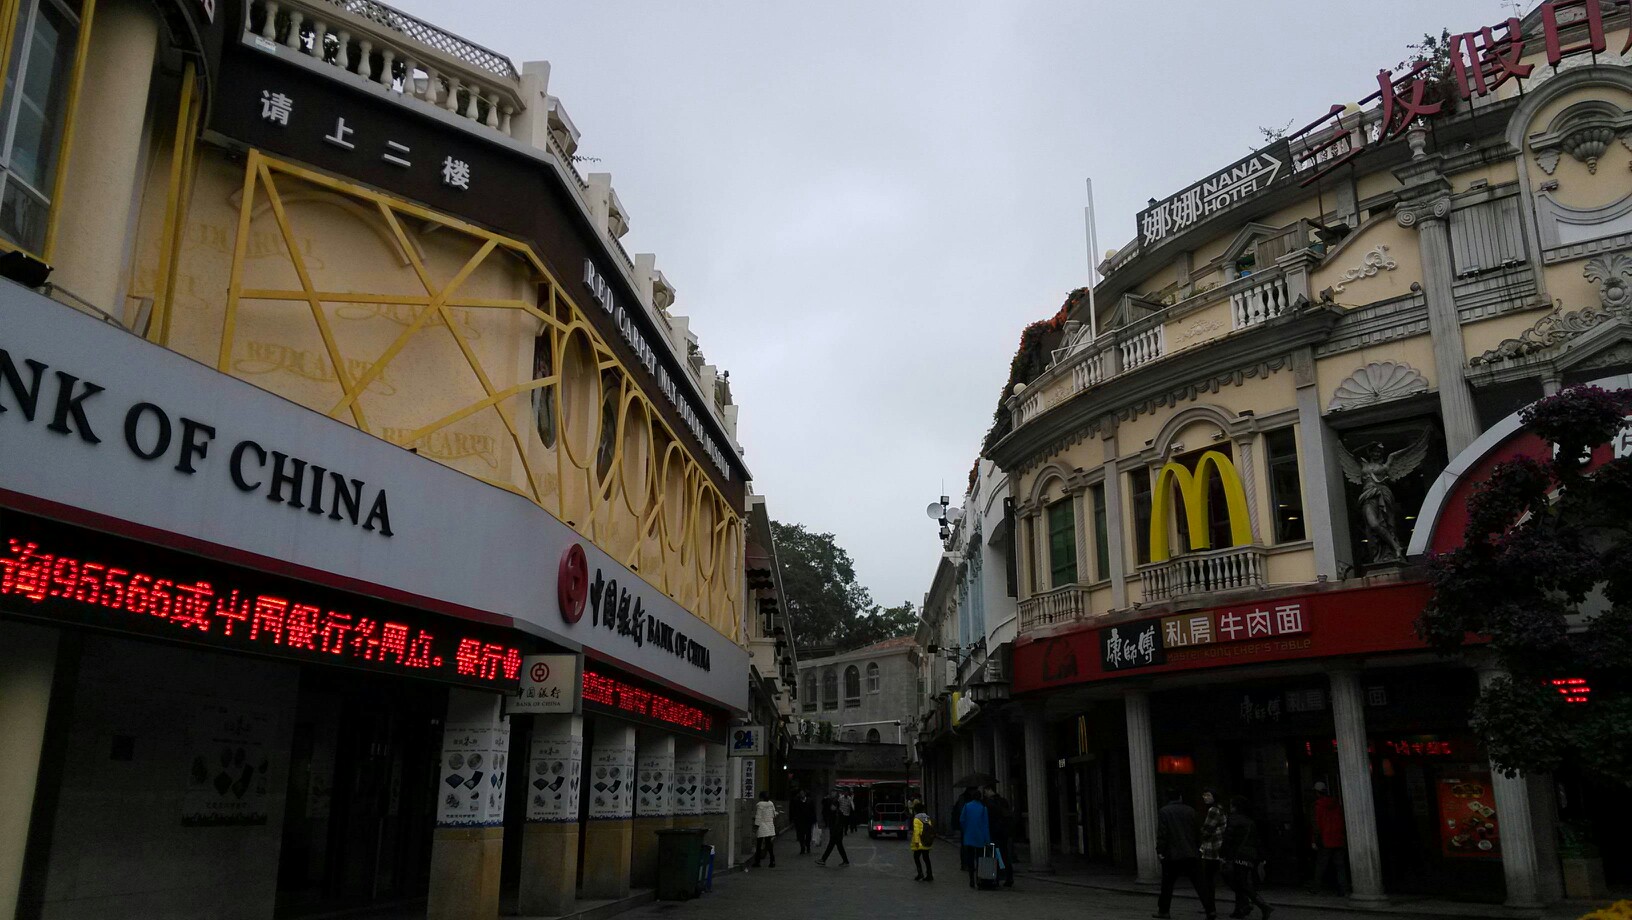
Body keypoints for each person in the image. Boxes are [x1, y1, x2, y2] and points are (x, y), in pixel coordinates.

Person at [1155, 788, 1217, 920]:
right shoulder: (1191, 811)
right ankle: (1210, 909)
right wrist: (1198, 847)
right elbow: (1197, 832)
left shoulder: (1164, 811)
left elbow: (1163, 834)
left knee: (1167, 884)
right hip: (1191, 853)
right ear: (1180, 797)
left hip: (1172, 854)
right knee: (1200, 884)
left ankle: (1164, 911)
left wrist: (1160, 851)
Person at [1222, 795, 1272, 920]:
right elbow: (1257, 840)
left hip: (1237, 854)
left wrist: (1224, 854)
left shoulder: (1233, 819)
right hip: (1249, 855)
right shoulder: (1250, 821)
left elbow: (1228, 838)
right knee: (1240, 881)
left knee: (1239, 882)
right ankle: (1240, 909)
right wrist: (1261, 856)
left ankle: (1262, 905)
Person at [1309, 781, 1349, 896]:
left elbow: (1316, 824)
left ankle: (1316, 887)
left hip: (1325, 839)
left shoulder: (1318, 806)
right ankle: (1343, 889)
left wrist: (1314, 840)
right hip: (1338, 838)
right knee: (1340, 866)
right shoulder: (1336, 804)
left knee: (1321, 865)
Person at [958, 786, 991, 890]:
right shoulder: (983, 808)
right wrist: (987, 839)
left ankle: (971, 879)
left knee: (970, 859)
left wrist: (966, 829)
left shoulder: (967, 806)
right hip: (980, 837)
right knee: (980, 859)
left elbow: (962, 820)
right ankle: (979, 879)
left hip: (969, 836)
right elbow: (986, 824)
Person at [1198, 789, 1227, 907]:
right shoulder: (1220, 809)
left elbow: (1208, 829)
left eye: (1208, 795)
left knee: (1208, 878)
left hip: (1212, 847)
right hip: (1217, 845)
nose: (1205, 797)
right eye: (1204, 795)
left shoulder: (1213, 810)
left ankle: (1210, 906)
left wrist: (1199, 834)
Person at [984, 783, 1015, 888]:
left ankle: (996, 877)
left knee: (994, 855)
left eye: (985, 792)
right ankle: (1008, 876)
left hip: (994, 832)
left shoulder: (989, 804)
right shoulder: (1003, 801)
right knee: (1004, 854)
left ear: (989, 790)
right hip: (1004, 832)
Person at [817, 787, 850, 866]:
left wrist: (836, 829)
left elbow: (838, 821)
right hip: (836, 829)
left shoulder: (837, 811)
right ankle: (845, 861)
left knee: (833, 845)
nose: (832, 807)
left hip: (836, 830)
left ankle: (823, 859)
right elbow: (824, 804)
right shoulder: (833, 807)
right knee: (837, 845)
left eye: (834, 792)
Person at [750, 790, 780, 868]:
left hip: (762, 826)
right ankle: (772, 861)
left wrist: (756, 825)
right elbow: (774, 814)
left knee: (759, 844)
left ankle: (757, 862)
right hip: (770, 825)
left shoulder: (760, 805)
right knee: (769, 844)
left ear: (761, 797)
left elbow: (758, 816)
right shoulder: (771, 804)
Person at [910, 798, 935, 882]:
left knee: (916, 857)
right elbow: (930, 828)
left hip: (920, 842)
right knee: (926, 858)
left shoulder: (916, 819)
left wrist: (916, 842)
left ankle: (920, 873)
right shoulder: (927, 817)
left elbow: (916, 831)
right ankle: (930, 874)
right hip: (927, 840)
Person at [790, 789, 817, 854]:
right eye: (800, 793)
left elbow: (813, 810)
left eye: (803, 793)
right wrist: (793, 819)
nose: (801, 794)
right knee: (800, 835)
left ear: (805, 794)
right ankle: (802, 848)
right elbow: (793, 810)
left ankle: (808, 847)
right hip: (799, 821)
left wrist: (814, 820)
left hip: (808, 821)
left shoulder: (810, 801)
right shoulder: (796, 801)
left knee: (808, 835)